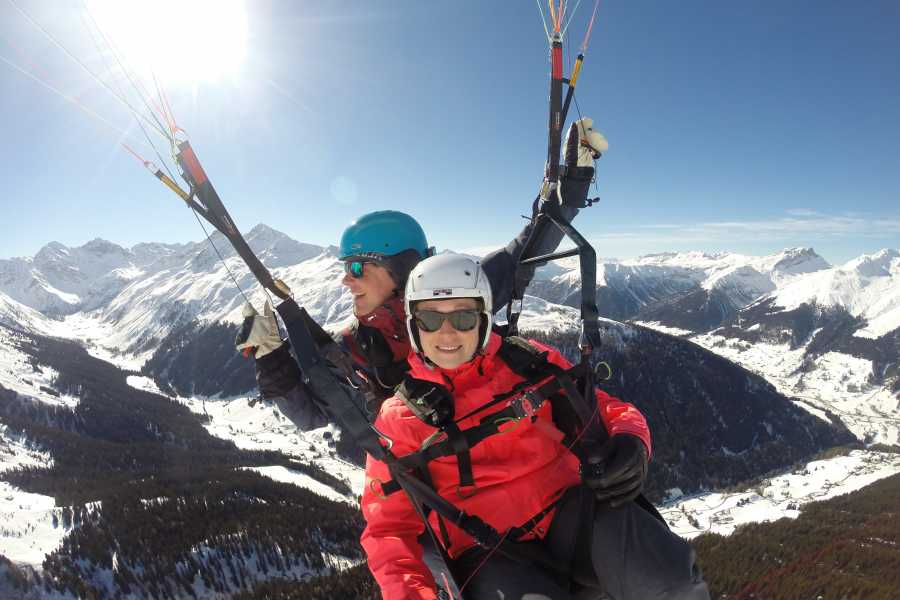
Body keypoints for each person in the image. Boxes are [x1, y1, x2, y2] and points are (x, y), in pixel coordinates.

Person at [360, 253, 710, 600]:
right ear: (413, 325)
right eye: (430, 319)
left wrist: (632, 438)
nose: (447, 332)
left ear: (482, 318)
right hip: (489, 550)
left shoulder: (526, 362)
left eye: (464, 317)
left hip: (572, 515)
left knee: (672, 583)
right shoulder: (400, 418)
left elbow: (602, 407)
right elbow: (388, 529)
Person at [237, 118, 608, 423]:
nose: (345, 280)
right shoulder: (355, 346)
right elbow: (314, 415)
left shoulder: (459, 291)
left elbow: (524, 252)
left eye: (356, 267)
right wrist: (271, 360)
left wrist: (570, 191)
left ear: (399, 268)